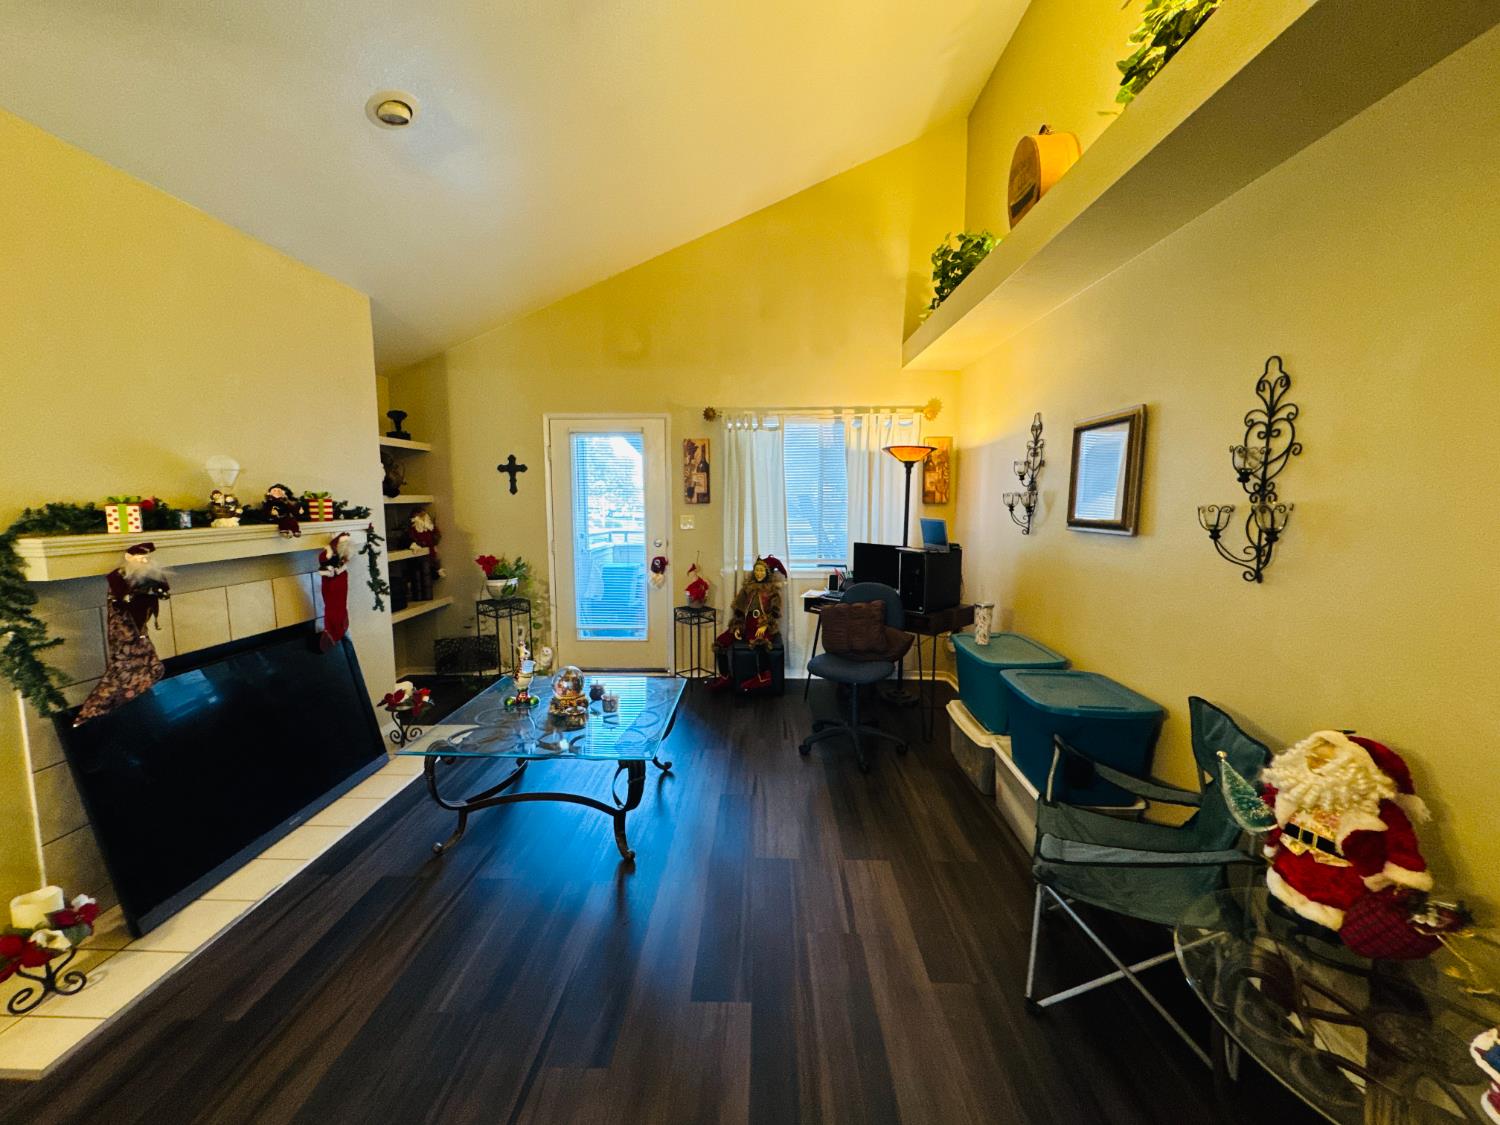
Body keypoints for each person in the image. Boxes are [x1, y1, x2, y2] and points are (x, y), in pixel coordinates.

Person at [707, 555, 785, 692]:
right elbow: (739, 610)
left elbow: (774, 612)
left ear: (767, 573)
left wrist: (765, 624)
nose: (758, 573)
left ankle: (763, 677)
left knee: (760, 641)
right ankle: (725, 676)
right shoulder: (747, 589)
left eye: (762, 571)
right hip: (745, 623)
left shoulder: (772, 591)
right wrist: (737, 626)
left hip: (761, 624)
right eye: (757, 570)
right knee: (721, 642)